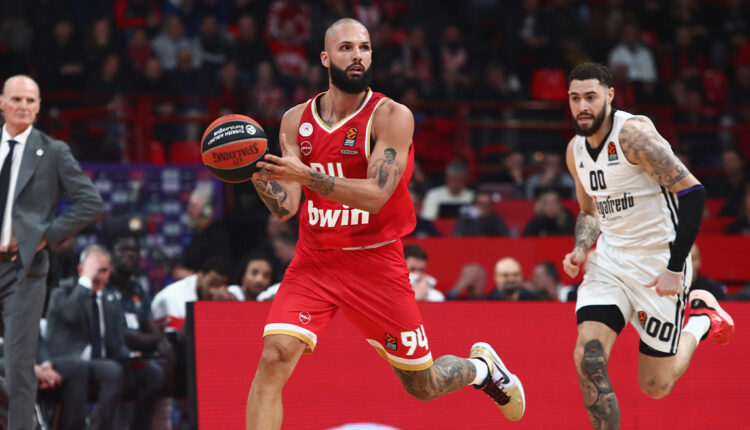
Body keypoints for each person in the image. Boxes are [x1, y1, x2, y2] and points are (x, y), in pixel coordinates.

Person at [247, 18, 525, 430]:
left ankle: (483, 370)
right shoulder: (294, 121)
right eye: (346, 48)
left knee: (423, 385)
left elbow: (376, 195)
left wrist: (307, 176)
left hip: (375, 262)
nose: (357, 55)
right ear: (325, 58)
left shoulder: (392, 116)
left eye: (364, 47)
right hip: (314, 261)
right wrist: (256, 175)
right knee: (273, 358)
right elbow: (286, 208)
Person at [561, 63, 734, 429]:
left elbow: (693, 192)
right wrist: (580, 247)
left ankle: (702, 320)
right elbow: (589, 212)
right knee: (588, 358)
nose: (582, 106)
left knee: (655, 385)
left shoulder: (634, 136)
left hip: (658, 263)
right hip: (610, 261)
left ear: (610, 95)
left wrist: (674, 267)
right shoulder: (575, 150)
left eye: (590, 97)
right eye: (575, 98)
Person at [0, 75, 104, 429]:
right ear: (2, 103)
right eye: (16, 99)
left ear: (39, 106)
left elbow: (91, 202)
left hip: (23, 269)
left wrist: (46, 237)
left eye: (30, 101)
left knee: (18, 368)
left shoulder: (53, 151)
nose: (23, 106)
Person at [45, 245, 164, 430]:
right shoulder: (62, 292)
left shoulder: (110, 298)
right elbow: (70, 315)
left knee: (153, 373)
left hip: (103, 361)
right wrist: (85, 283)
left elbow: (116, 343)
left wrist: (131, 355)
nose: (98, 276)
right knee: (112, 371)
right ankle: (99, 426)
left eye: (104, 271)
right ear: (80, 270)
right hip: (70, 360)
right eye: (94, 270)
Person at [173, 185, 232, 280]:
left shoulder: (218, 236)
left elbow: (219, 274)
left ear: (207, 210)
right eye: (189, 205)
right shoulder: (198, 234)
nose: (189, 210)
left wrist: (190, 275)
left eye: (194, 206)